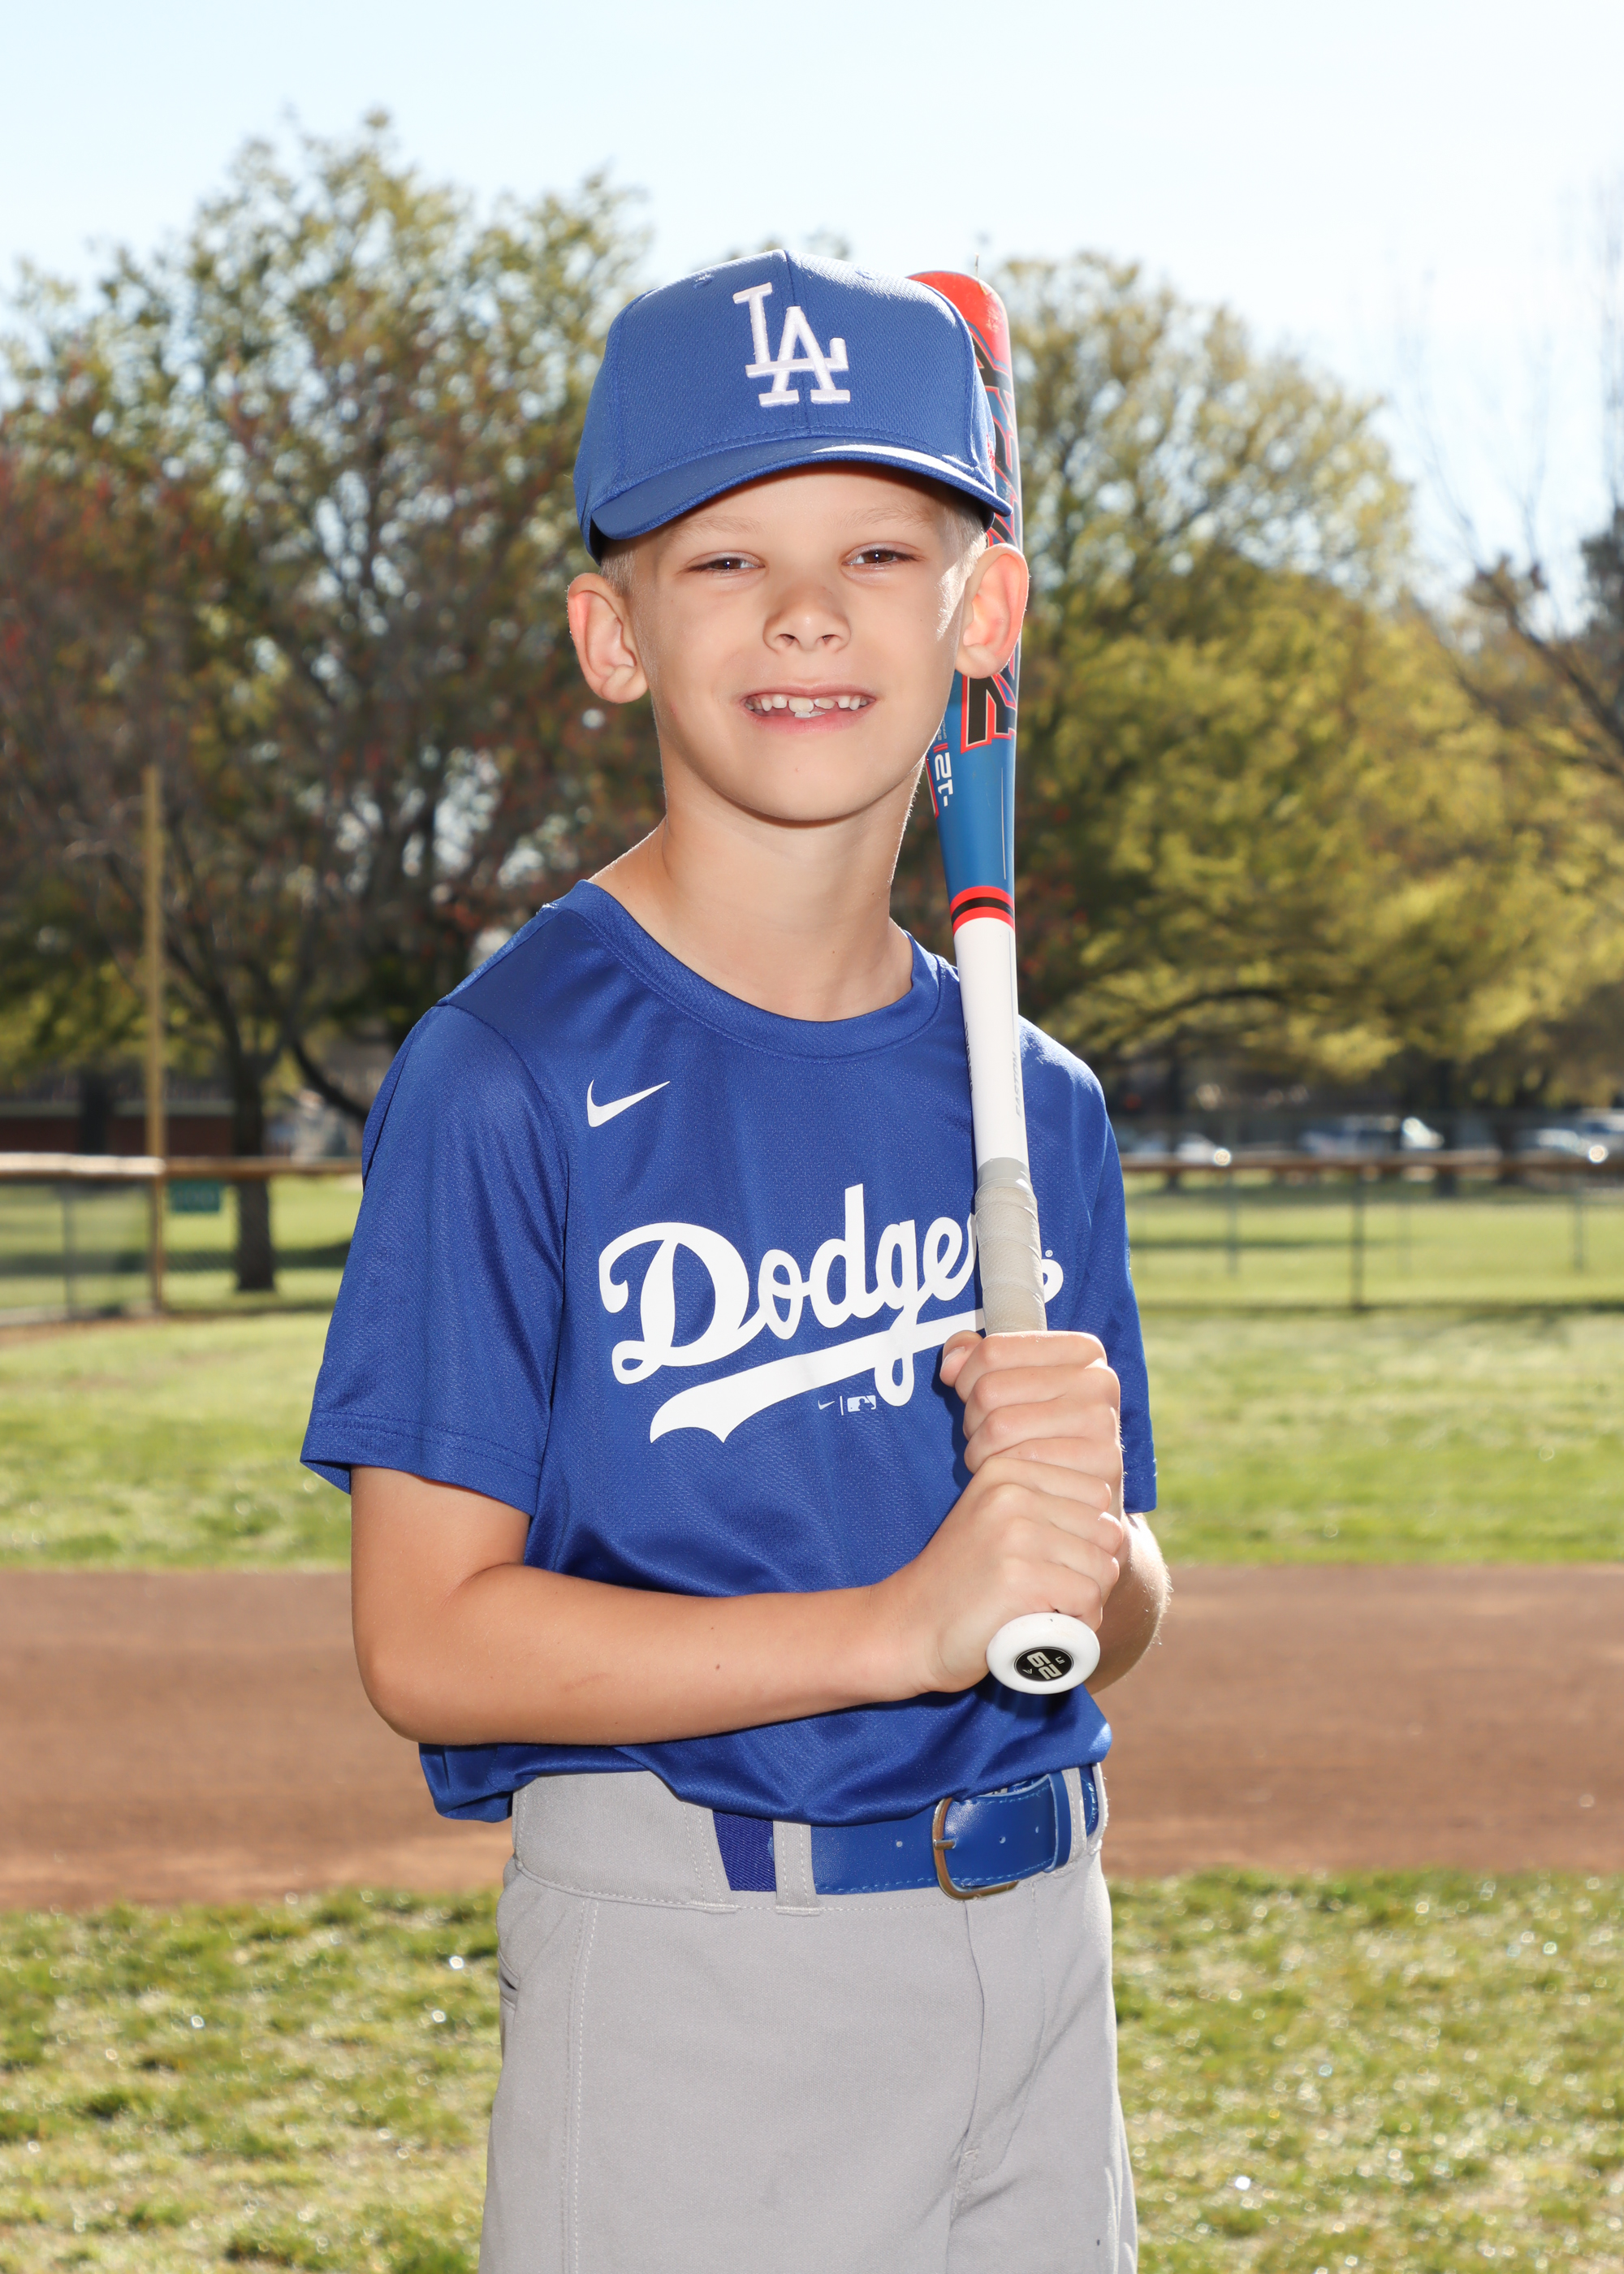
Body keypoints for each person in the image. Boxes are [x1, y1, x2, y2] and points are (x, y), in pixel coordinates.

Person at [304, 249, 1168, 2274]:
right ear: (611, 634)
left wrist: (1085, 1553)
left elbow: (1099, 1609)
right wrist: (901, 1620)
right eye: (723, 557)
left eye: (879, 547)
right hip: (705, 1963)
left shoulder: (1031, 1097)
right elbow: (427, 1638)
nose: (804, 607)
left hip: (1045, 1948)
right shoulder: (508, 1070)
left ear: (984, 616)